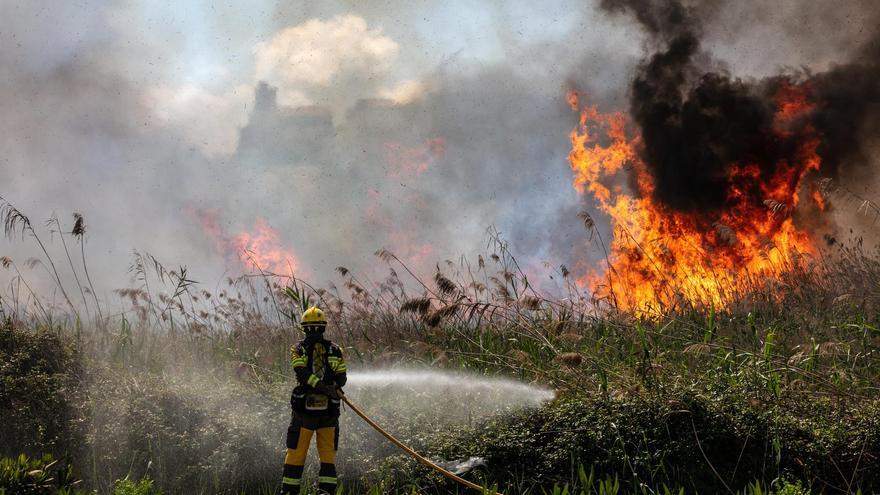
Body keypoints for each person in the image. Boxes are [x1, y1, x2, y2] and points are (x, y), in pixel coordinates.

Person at [279, 306, 347, 494]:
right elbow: (341, 379)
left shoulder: (297, 349)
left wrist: (317, 384)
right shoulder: (336, 350)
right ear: (323, 327)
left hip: (304, 414)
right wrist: (327, 387)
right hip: (329, 414)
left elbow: (301, 373)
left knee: (296, 455)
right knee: (327, 456)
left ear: (304, 328)